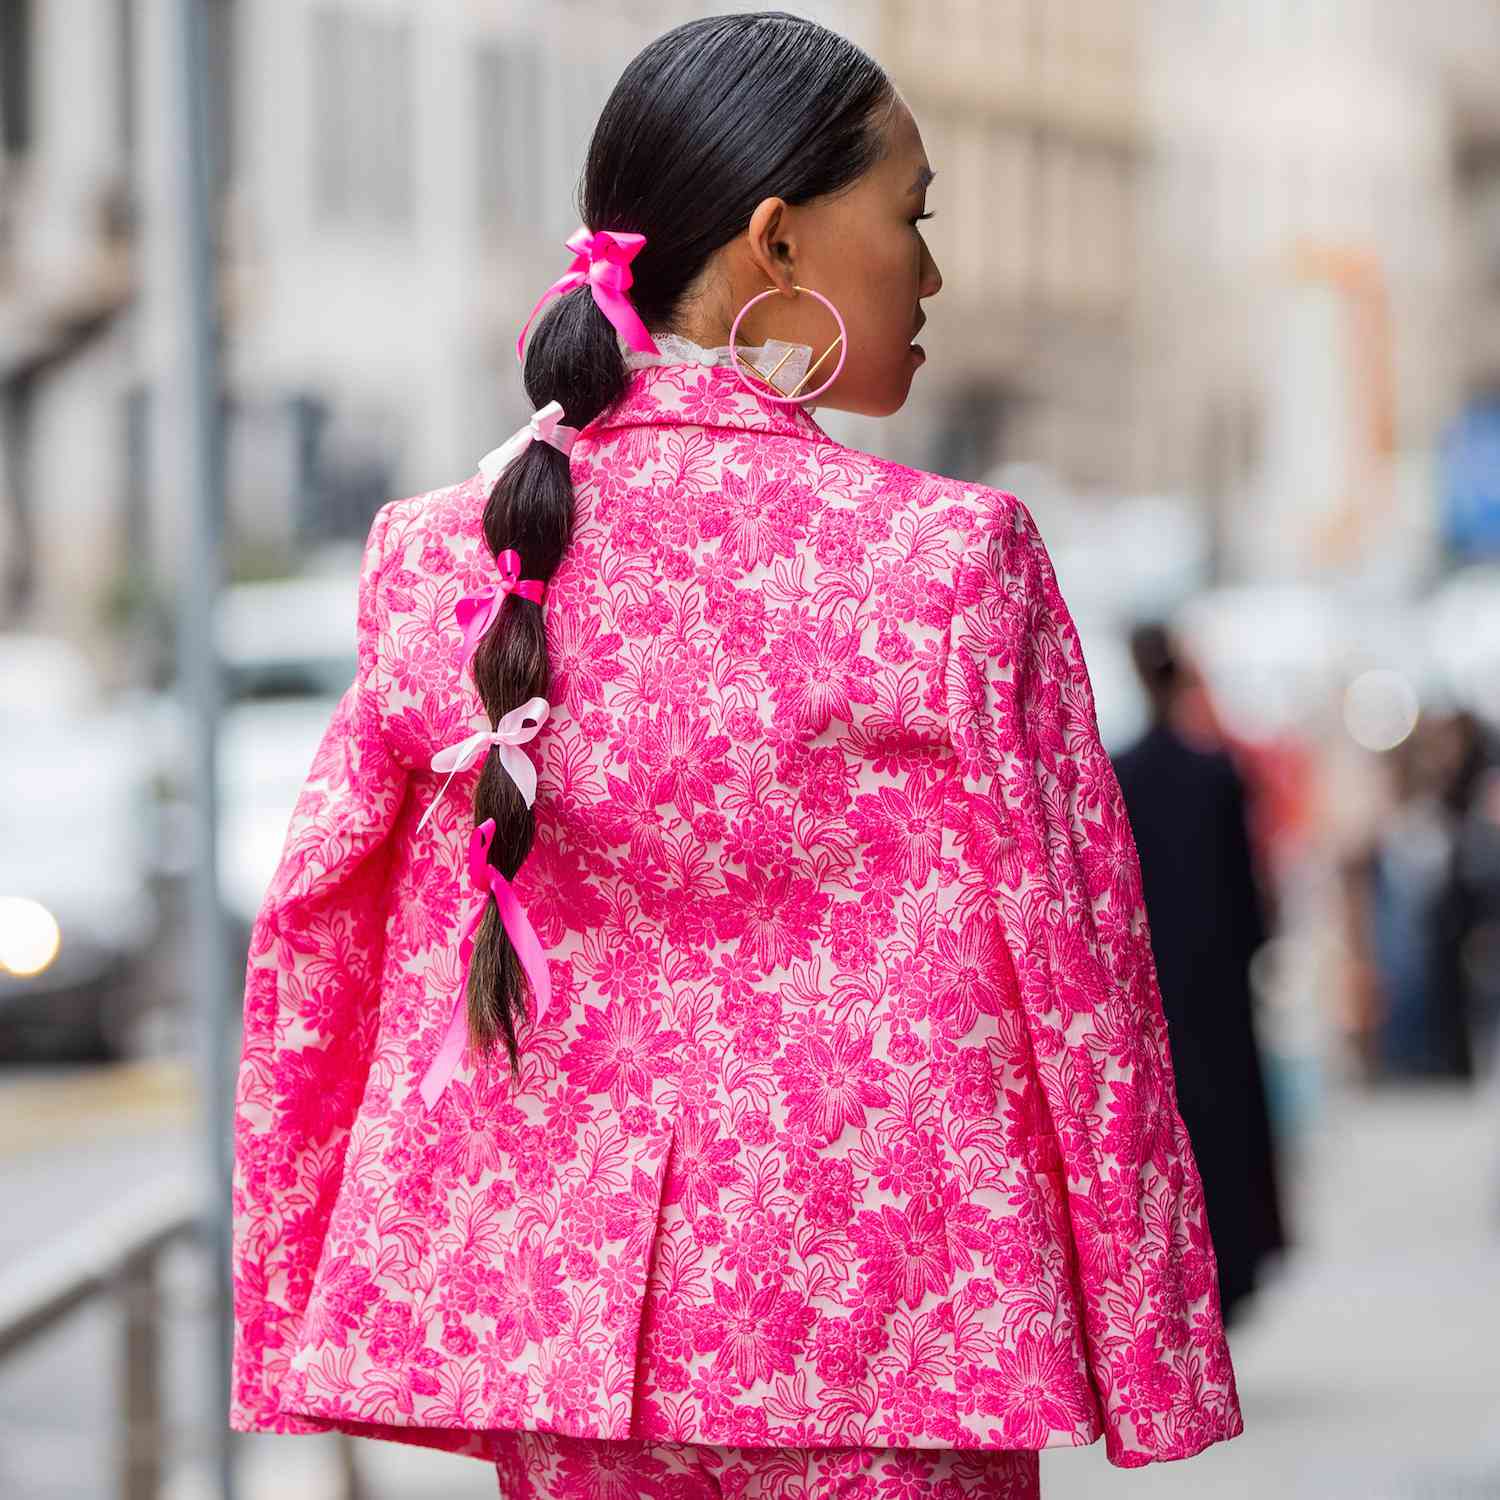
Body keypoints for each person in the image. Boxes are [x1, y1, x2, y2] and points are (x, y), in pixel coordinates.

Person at [228, 14, 1243, 1498]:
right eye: (912, 216)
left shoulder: (439, 557)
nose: (934, 269)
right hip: (894, 1341)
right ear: (777, 242)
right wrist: (1153, 1356)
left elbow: (313, 940)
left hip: (566, 1347)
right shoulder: (950, 567)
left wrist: (296, 1300)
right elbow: (1087, 983)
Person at [1111, 623, 1288, 1328]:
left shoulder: (1118, 772)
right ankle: (1234, 1261)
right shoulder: (1216, 773)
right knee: (1225, 1121)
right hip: (1215, 983)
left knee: (1164, 1127)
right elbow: (1249, 892)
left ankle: (1176, 1276)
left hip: (1150, 984)